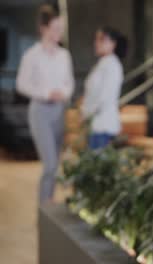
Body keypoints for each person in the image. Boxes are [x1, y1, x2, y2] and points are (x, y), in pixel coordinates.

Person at [16, 4, 75, 203]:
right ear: (43, 28)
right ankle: (44, 208)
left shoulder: (64, 56)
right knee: (49, 164)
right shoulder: (31, 56)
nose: (59, 33)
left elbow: (70, 83)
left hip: (59, 111)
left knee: (55, 165)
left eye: (61, 29)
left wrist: (63, 93)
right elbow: (21, 84)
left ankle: (48, 203)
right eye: (55, 28)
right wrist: (46, 93)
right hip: (39, 111)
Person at [81, 27, 126, 149]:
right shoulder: (103, 63)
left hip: (103, 125)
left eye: (102, 40)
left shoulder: (112, 65)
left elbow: (104, 98)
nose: (97, 43)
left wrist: (87, 113)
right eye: (96, 39)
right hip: (95, 125)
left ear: (113, 43)